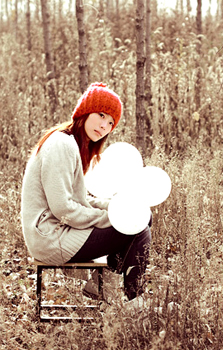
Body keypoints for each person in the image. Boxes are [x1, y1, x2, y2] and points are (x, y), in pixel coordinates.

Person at [21, 82, 151, 302]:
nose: (104, 126)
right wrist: (109, 218)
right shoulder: (62, 144)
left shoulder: (74, 145)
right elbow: (63, 208)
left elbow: (80, 199)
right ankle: (134, 304)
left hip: (59, 230)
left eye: (110, 122)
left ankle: (102, 284)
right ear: (84, 111)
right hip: (51, 237)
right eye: (101, 115)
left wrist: (114, 205)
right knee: (137, 229)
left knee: (140, 215)